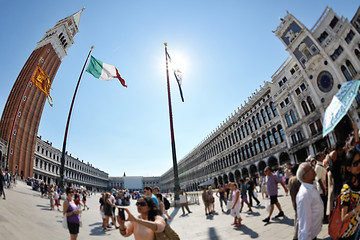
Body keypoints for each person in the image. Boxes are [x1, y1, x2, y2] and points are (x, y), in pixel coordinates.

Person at [296, 162, 324, 240]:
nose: (313, 168)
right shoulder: (304, 195)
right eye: (309, 169)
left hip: (314, 233)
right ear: (304, 178)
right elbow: (304, 222)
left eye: (311, 167)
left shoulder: (312, 184)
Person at [338, 149, 360, 239]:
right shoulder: (347, 188)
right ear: (348, 168)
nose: (359, 165)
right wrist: (357, 209)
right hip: (348, 234)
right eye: (355, 164)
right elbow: (343, 217)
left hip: (357, 227)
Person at [288, 164, 301, 240]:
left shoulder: (291, 179)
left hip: (294, 202)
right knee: (299, 220)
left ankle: (296, 236)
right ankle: (296, 237)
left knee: (297, 218)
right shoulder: (297, 180)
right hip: (299, 202)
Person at [314, 152, 327, 223]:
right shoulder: (318, 167)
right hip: (322, 189)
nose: (323, 155)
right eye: (322, 155)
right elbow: (318, 179)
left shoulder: (321, 164)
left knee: (325, 203)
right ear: (318, 157)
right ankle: (323, 218)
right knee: (323, 204)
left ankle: (325, 216)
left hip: (325, 186)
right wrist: (324, 190)